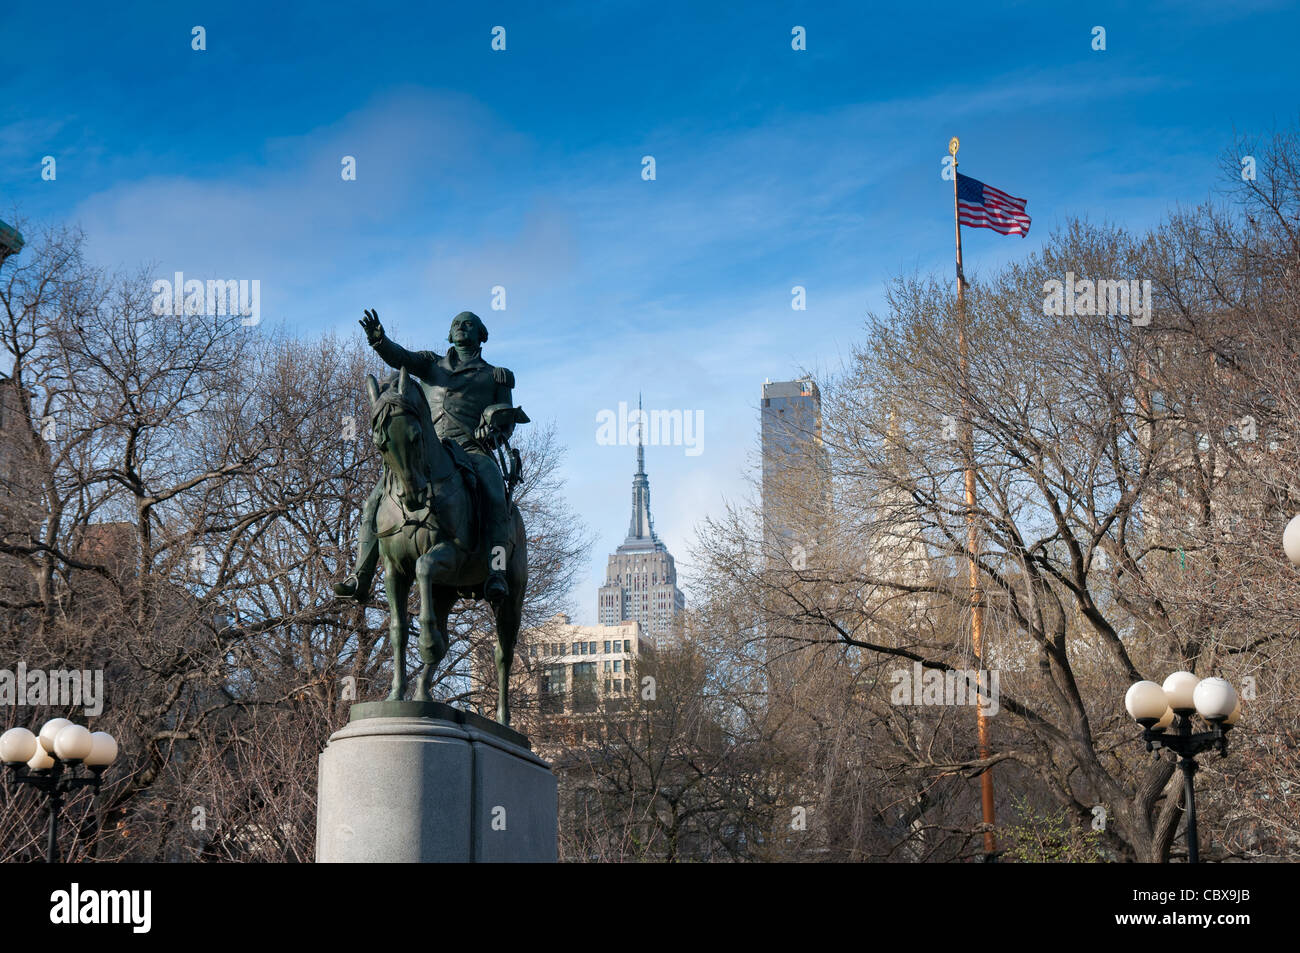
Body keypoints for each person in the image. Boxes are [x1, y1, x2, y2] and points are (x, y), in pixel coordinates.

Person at [334, 308, 520, 604]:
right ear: (449, 333)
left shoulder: (495, 376)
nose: (462, 328)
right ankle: (361, 574)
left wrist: (492, 432)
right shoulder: (432, 364)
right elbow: (401, 357)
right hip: (428, 447)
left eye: (469, 324)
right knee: (373, 502)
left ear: (480, 334)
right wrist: (380, 342)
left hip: (471, 450)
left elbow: (507, 425)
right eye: (456, 324)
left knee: (496, 496)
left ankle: (496, 570)